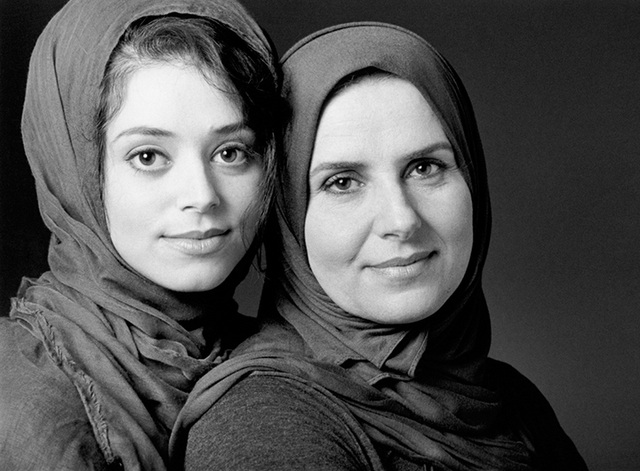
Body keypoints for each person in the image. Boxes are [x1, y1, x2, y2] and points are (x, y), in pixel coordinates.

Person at [171, 23, 588, 470]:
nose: (402, 220)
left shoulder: (514, 402)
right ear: (287, 215)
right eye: (343, 182)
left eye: (425, 167)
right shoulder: (263, 422)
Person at [0, 0, 279, 469]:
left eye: (230, 152)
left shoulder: (277, 364)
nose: (202, 195)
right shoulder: (21, 400)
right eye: (149, 156)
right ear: (77, 173)